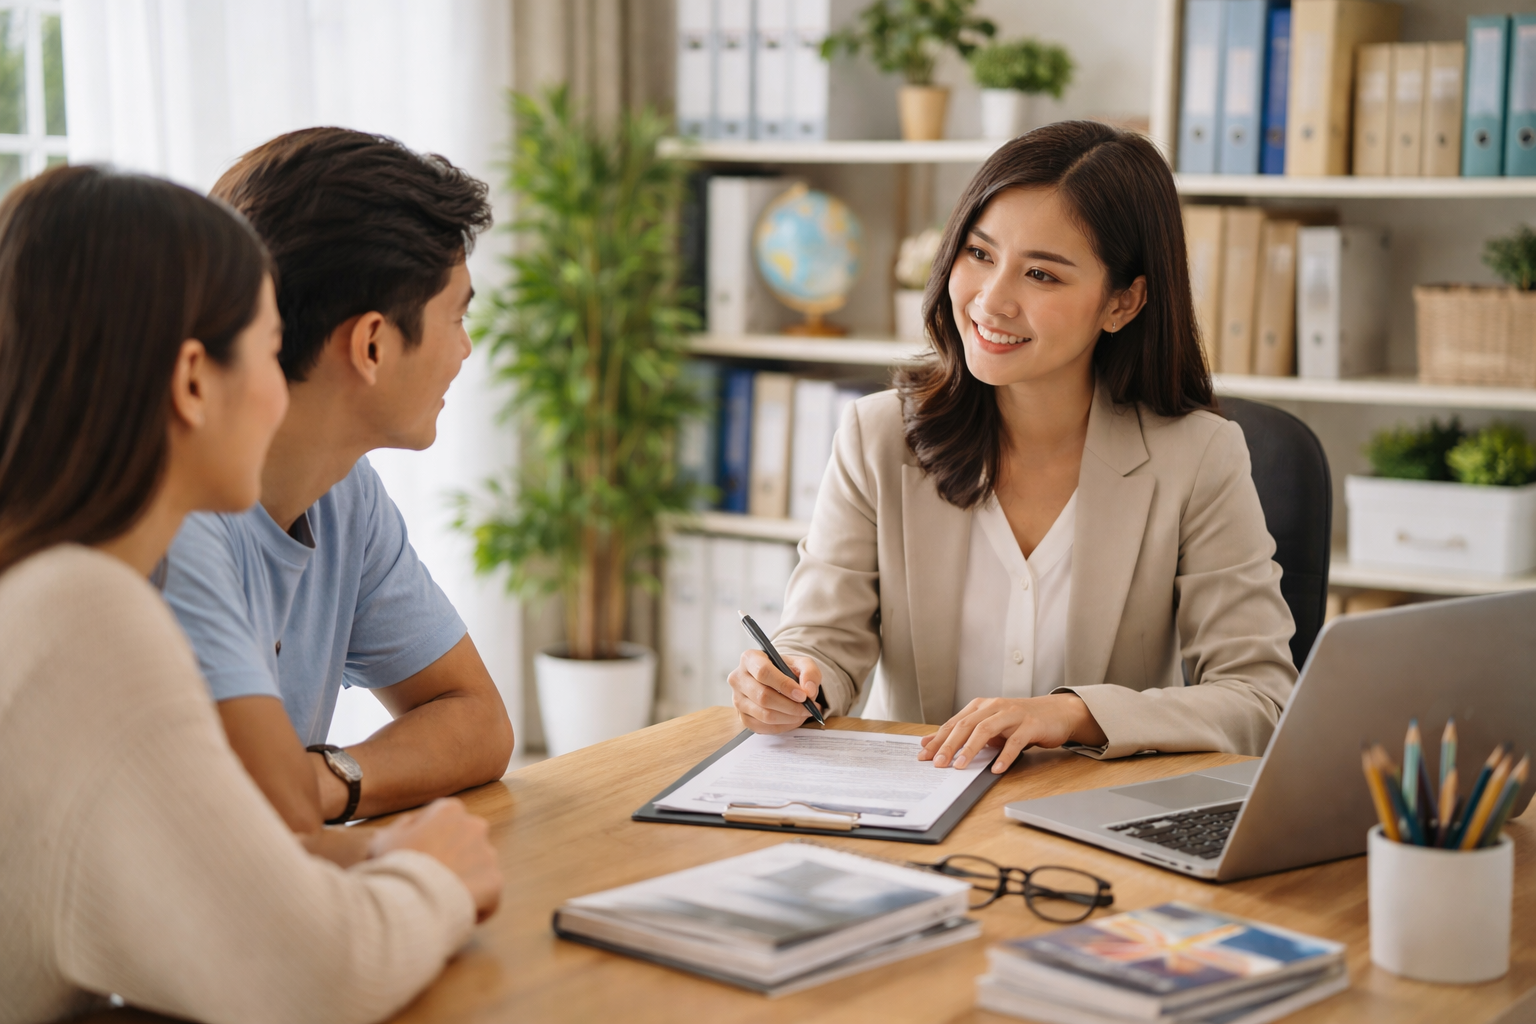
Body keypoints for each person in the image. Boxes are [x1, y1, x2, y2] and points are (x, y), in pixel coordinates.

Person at [0, 166, 501, 1024]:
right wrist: (433, 874)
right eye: (268, 347)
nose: (284, 390)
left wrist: (365, 853)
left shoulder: (53, 586)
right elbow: (310, 981)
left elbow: (218, 871)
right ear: (195, 381)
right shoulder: (88, 609)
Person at [728, 121, 1297, 772]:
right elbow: (823, 639)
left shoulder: (1198, 458)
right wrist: (793, 682)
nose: (992, 302)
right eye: (979, 254)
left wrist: (1075, 713)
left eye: (1043, 276)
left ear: (1123, 301)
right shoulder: (878, 438)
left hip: (1093, 830)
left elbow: (1260, 699)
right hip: (920, 820)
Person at [158, 128, 514, 837]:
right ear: (373, 344)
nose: (466, 348)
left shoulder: (344, 492)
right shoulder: (174, 520)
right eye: (458, 314)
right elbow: (235, 826)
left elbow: (480, 722)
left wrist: (326, 781)